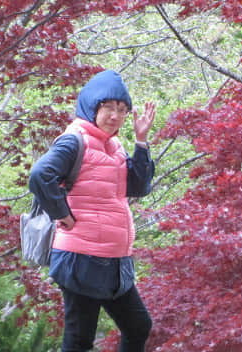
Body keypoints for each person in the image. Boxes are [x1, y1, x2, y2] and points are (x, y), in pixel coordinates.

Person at [29, 70, 156, 352]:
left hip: (114, 260)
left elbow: (138, 187)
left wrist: (141, 141)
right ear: (91, 106)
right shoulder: (75, 140)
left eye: (122, 109)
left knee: (138, 326)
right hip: (81, 257)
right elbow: (40, 176)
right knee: (79, 340)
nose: (115, 115)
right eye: (108, 107)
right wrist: (62, 214)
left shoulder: (116, 146)